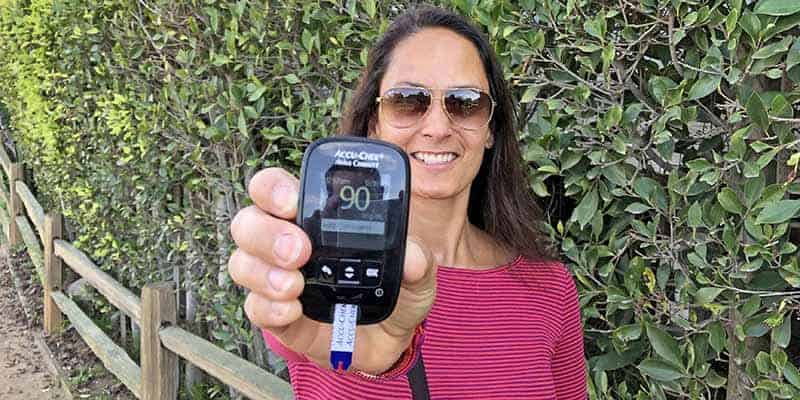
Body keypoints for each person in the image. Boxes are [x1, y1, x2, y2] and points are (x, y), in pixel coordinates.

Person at [228, 5, 586, 399]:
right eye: (407, 100)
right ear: (374, 122)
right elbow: (291, 324)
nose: (437, 127)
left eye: (466, 102)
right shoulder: (323, 272)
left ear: (490, 129)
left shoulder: (551, 290)